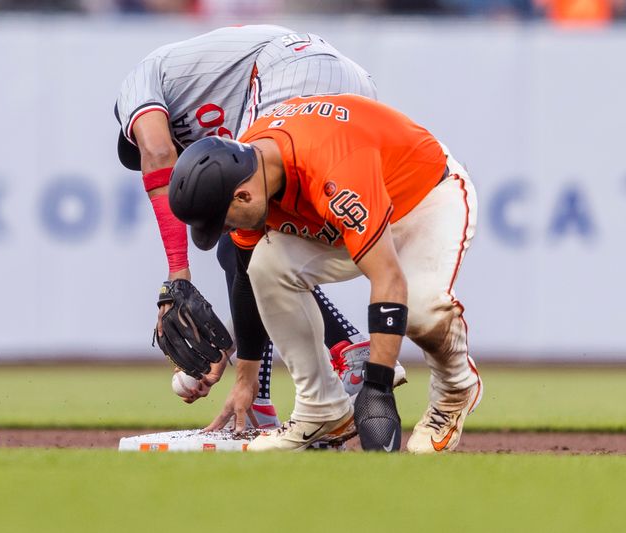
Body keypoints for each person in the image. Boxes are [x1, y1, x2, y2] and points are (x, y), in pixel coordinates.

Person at [114, 25, 405, 429]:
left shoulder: (138, 83)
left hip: (291, 68)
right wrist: (234, 348)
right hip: (350, 87)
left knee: (243, 241)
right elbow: (252, 275)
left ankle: (338, 346)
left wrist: (177, 275)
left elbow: (158, 152)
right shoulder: (220, 130)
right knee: (258, 247)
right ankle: (265, 395)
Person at [168, 94, 482, 453]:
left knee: (421, 308)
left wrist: (376, 389)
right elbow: (245, 275)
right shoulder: (254, 172)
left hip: (424, 197)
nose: (223, 230)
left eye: (221, 221)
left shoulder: (332, 169)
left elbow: (388, 278)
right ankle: (321, 408)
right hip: (344, 210)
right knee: (266, 264)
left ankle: (456, 387)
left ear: (242, 197)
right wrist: (246, 379)